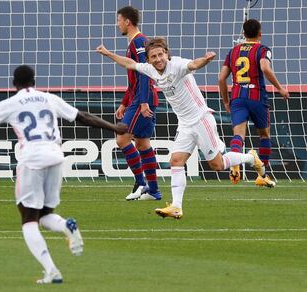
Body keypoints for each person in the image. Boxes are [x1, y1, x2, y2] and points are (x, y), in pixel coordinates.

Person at [0, 65, 127, 284]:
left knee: (28, 219)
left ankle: (51, 270)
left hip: (32, 160)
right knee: (44, 214)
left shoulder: (10, 103)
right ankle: (65, 226)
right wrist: (115, 128)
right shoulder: (49, 99)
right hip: (55, 157)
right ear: (34, 81)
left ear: (14, 83)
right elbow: (83, 116)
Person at [97, 38, 265, 219]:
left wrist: (206, 59)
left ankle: (250, 157)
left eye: (161, 54)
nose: (158, 59)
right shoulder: (150, 69)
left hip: (201, 119)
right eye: (153, 56)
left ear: (167, 54)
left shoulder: (177, 65)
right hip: (185, 124)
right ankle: (176, 207)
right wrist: (108, 54)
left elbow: (193, 64)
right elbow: (129, 63)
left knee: (217, 164)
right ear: (149, 60)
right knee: (176, 161)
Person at [218, 19, 289, 187]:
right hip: (257, 97)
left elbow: (221, 78)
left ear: (243, 34)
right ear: (260, 34)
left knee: (238, 136)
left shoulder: (233, 51)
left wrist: (226, 101)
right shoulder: (263, 50)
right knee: (264, 135)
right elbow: (265, 68)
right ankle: (262, 176)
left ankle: (235, 162)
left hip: (237, 98)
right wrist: (280, 88)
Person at [114, 6, 161, 201]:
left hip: (144, 98)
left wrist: (142, 102)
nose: (117, 24)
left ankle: (141, 183)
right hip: (139, 98)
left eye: (118, 20)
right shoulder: (133, 43)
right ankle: (154, 190)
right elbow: (133, 80)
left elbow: (144, 73)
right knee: (142, 143)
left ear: (127, 21)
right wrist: (125, 103)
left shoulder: (139, 42)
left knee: (122, 139)